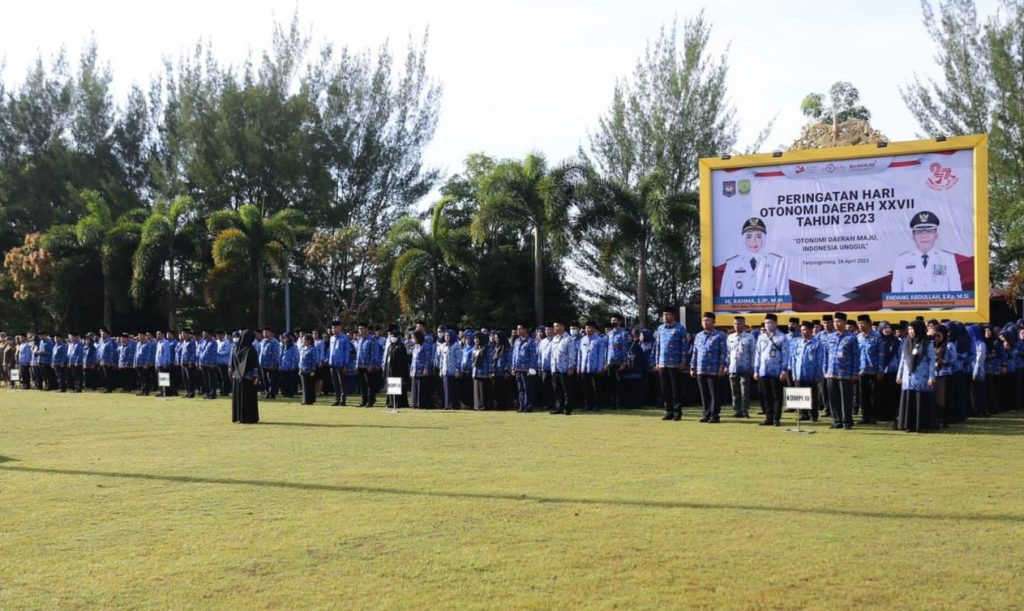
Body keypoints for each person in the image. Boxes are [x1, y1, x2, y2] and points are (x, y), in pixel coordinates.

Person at [890, 211, 963, 292]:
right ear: (913, 236)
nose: (924, 235)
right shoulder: (901, 260)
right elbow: (895, 297)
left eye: (929, 231)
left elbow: (957, 294)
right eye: (919, 231)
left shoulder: (948, 259)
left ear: (936, 235)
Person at [720, 217, 789, 298]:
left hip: (768, 310)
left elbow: (784, 297)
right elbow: (725, 298)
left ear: (764, 238)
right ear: (743, 239)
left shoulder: (776, 262)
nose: (753, 241)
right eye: (749, 237)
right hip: (740, 310)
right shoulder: (733, 263)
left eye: (758, 236)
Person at [896, 320, 935, 432]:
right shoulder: (906, 342)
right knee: (909, 400)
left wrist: (931, 377)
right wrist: (899, 374)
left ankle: (922, 425)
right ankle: (909, 425)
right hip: (907, 377)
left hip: (922, 377)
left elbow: (932, 360)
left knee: (920, 400)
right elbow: (903, 360)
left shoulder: (927, 343)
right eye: (909, 329)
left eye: (912, 329)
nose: (910, 331)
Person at [753, 313, 790, 426]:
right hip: (763, 370)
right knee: (766, 395)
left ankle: (776, 418)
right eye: (766, 323)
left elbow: (786, 355)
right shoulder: (761, 337)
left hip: (776, 371)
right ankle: (768, 417)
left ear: (776, 324)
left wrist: (784, 371)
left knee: (776, 395)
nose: (768, 325)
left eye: (770, 322)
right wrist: (756, 370)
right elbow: (758, 354)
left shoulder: (782, 337)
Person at [824, 312, 859, 429]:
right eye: (835, 321)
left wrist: (854, 373)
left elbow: (856, 357)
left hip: (846, 374)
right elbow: (826, 355)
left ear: (844, 322)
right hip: (831, 373)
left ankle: (847, 421)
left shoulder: (851, 338)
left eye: (839, 321)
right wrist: (825, 370)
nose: (836, 323)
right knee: (833, 398)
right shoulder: (830, 337)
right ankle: (837, 420)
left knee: (846, 399)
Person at [691, 312, 728, 423]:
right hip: (700, 369)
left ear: (713, 322)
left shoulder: (720, 335)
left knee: (714, 394)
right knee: (704, 393)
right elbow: (695, 352)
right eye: (704, 320)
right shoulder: (698, 335)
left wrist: (722, 367)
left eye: (708, 320)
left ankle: (714, 415)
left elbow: (724, 353)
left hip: (714, 369)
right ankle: (706, 414)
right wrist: (692, 367)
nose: (705, 322)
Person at [654, 305, 689, 421]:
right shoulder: (660, 329)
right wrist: (657, 362)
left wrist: (684, 361)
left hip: (675, 364)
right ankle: (668, 411)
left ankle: (677, 412)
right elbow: (658, 346)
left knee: (676, 390)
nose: (665, 316)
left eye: (667, 314)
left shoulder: (680, 328)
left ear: (673, 316)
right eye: (664, 315)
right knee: (665, 390)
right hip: (663, 363)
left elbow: (684, 346)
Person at [788, 321, 824, 422]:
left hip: (811, 373)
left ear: (810, 330)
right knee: (800, 394)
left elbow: (820, 360)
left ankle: (813, 414)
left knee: (812, 395)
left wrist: (818, 374)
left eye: (805, 330)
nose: (803, 332)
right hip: (799, 373)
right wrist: (794, 373)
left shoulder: (817, 343)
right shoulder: (798, 343)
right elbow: (793, 359)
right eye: (802, 330)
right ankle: (803, 414)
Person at [856, 315, 883, 424]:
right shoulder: (858, 337)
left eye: (863, 323)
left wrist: (880, 371)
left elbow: (881, 354)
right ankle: (864, 417)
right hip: (861, 371)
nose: (860, 326)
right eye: (859, 323)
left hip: (874, 370)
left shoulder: (877, 337)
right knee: (863, 395)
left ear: (869, 323)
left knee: (873, 395)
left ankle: (873, 417)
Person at [726, 315, 755, 418]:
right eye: (735, 323)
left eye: (739, 323)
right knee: (734, 391)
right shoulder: (730, 337)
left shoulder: (749, 337)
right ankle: (736, 410)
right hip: (733, 367)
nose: (737, 325)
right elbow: (728, 353)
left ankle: (745, 410)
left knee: (744, 391)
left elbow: (753, 353)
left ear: (744, 324)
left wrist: (752, 366)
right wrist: (726, 365)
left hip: (745, 367)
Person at [548, 318, 578, 415]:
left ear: (562, 326)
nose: (555, 328)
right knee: (557, 390)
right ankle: (559, 407)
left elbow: (572, 354)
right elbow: (552, 354)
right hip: (555, 368)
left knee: (567, 390)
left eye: (557, 326)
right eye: (554, 326)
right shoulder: (554, 339)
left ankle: (567, 408)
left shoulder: (569, 339)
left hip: (565, 369)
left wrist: (570, 367)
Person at [231, 329, 260, 424]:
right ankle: (248, 417)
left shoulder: (235, 348)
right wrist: (256, 377)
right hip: (248, 378)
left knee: (238, 398)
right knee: (248, 399)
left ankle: (238, 416)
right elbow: (254, 364)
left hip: (237, 377)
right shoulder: (250, 349)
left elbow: (232, 364)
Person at [578, 321, 607, 412]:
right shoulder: (582, 340)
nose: (588, 330)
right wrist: (579, 366)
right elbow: (580, 354)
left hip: (595, 368)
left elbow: (601, 355)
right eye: (586, 328)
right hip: (584, 368)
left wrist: (600, 367)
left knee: (596, 388)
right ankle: (588, 405)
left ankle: (597, 405)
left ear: (594, 329)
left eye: (590, 328)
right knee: (586, 388)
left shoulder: (599, 340)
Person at [512, 324, 539, 413]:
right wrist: (513, 366)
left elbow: (533, 356)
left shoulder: (531, 342)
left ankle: (528, 406)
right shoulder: (517, 341)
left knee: (528, 388)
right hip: (518, 369)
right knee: (520, 389)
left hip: (527, 369)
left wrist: (531, 369)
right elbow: (514, 355)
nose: (518, 331)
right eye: (517, 329)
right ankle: (522, 406)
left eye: (520, 329)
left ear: (525, 329)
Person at [604, 314, 630, 409]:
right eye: (612, 320)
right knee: (611, 384)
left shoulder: (624, 334)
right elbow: (607, 349)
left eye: (615, 320)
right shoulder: (609, 334)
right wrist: (606, 362)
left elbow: (626, 349)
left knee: (620, 384)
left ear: (619, 322)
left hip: (620, 363)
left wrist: (624, 362)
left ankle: (621, 404)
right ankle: (613, 404)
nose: (613, 322)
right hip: (610, 363)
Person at [354, 323, 381, 407]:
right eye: (359, 329)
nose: (360, 330)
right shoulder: (360, 340)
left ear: (366, 329)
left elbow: (374, 354)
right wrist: (356, 365)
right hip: (361, 366)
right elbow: (358, 354)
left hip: (368, 366)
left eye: (362, 328)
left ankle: (370, 401)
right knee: (362, 384)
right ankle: (364, 400)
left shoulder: (371, 340)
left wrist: (372, 365)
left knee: (370, 384)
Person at [327, 321, 352, 406]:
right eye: (333, 328)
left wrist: (346, 364)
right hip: (333, 363)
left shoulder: (344, 338)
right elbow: (330, 351)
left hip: (341, 364)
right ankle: (337, 399)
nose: (334, 329)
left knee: (342, 383)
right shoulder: (332, 338)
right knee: (335, 382)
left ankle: (343, 400)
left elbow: (347, 352)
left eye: (335, 328)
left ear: (340, 328)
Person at [437, 329, 462, 410]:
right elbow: (441, 358)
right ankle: (447, 405)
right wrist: (440, 369)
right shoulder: (443, 345)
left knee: (453, 388)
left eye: (448, 336)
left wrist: (458, 369)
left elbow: (459, 358)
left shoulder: (456, 345)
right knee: (446, 388)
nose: (446, 337)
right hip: (445, 370)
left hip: (453, 370)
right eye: (445, 336)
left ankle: (454, 405)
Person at [471, 332, 492, 410]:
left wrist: (490, 371)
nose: (475, 340)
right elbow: (472, 360)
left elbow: (490, 360)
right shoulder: (474, 348)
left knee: (483, 390)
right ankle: (477, 406)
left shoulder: (487, 347)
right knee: (477, 390)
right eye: (474, 338)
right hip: (476, 371)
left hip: (484, 371)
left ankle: (484, 405)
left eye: (477, 338)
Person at [298, 334, 318, 405]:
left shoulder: (313, 349)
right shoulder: (302, 349)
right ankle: (305, 399)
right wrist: (300, 368)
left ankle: (310, 400)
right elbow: (300, 360)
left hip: (309, 369)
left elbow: (314, 360)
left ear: (309, 340)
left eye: (304, 340)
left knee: (310, 386)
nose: (303, 341)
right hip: (303, 369)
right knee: (304, 386)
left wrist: (313, 369)